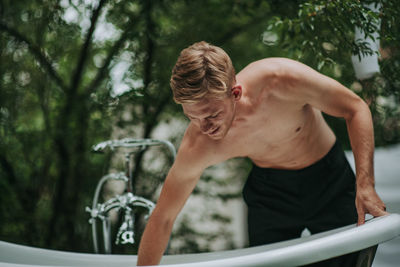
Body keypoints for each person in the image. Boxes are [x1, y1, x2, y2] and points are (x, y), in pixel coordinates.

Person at [137, 41, 387, 266]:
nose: (205, 127)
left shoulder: (281, 81)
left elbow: (355, 108)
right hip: (270, 192)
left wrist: (365, 184)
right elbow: (163, 218)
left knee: (354, 259)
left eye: (212, 114)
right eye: (192, 117)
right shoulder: (198, 144)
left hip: (328, 178)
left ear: (235, 93)